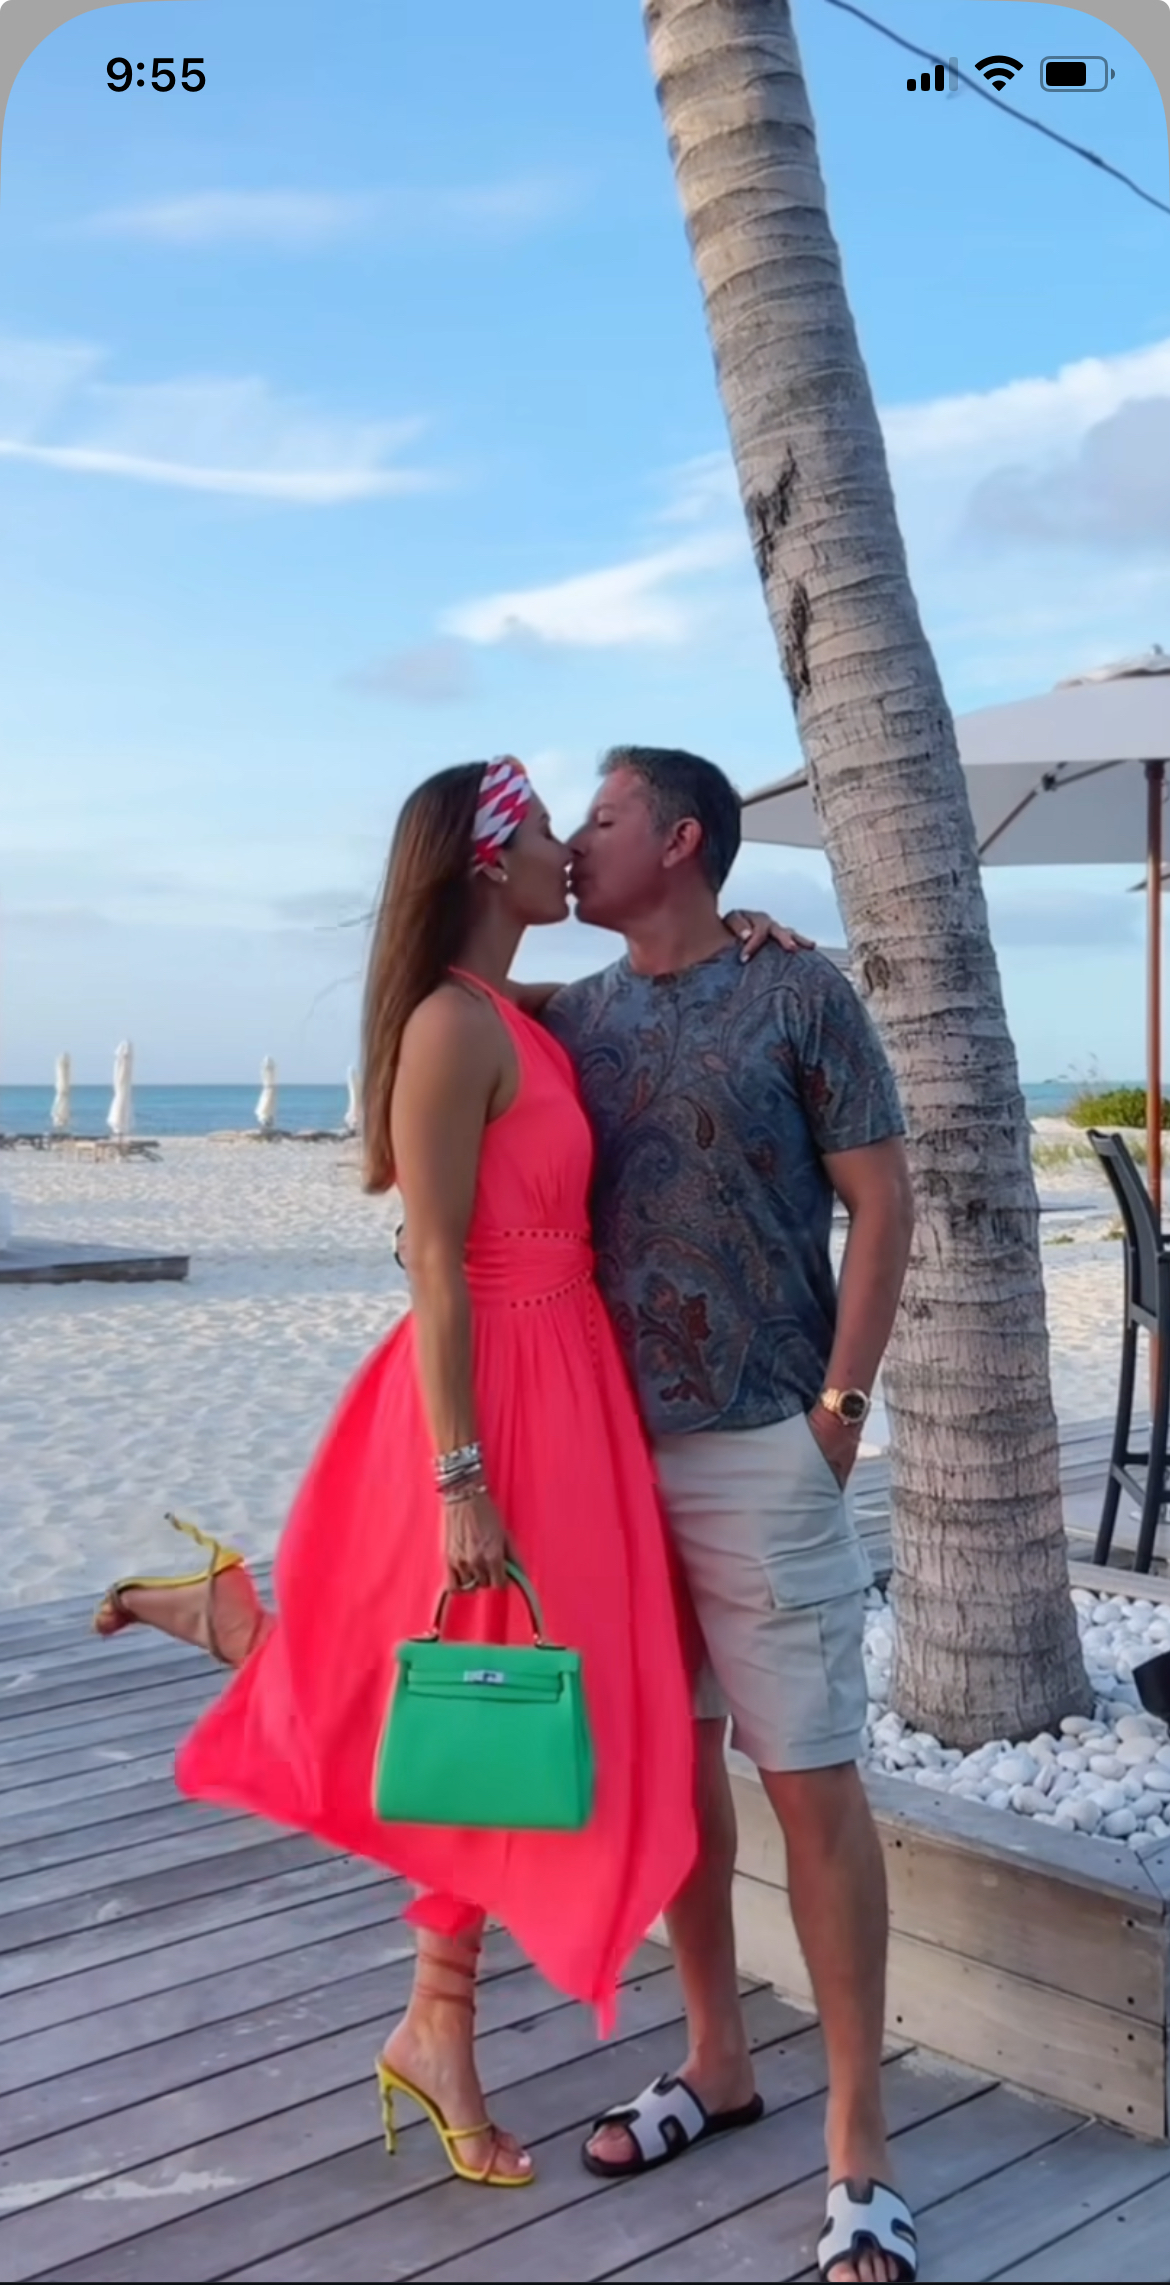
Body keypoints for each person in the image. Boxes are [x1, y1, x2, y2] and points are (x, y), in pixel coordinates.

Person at [92, 756, 796, 2194]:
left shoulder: (508, 1011)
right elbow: (431, 1258)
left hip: (569, 1383)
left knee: (509, 1698)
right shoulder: (447, 1027)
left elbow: (615, 993)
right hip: (493, 1400)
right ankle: (434, 2021)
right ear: (488, 863)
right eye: (541, 832)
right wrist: (461, 1474)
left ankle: (247, 1640)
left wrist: (745, 938)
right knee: (485, 1691)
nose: (564, 852)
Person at [520, 747, 917, 2285]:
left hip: (765, 1441)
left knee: (810, 1780)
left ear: (680, 840)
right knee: (673, 1770)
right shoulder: (568, 1016)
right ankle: (716, 2061)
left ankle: (860, 2145)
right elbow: (432, 972)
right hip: (610, 1464)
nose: (575, 842)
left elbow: (881, 1200)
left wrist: (839, 1411)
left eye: (602, 817)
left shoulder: (798, 990)